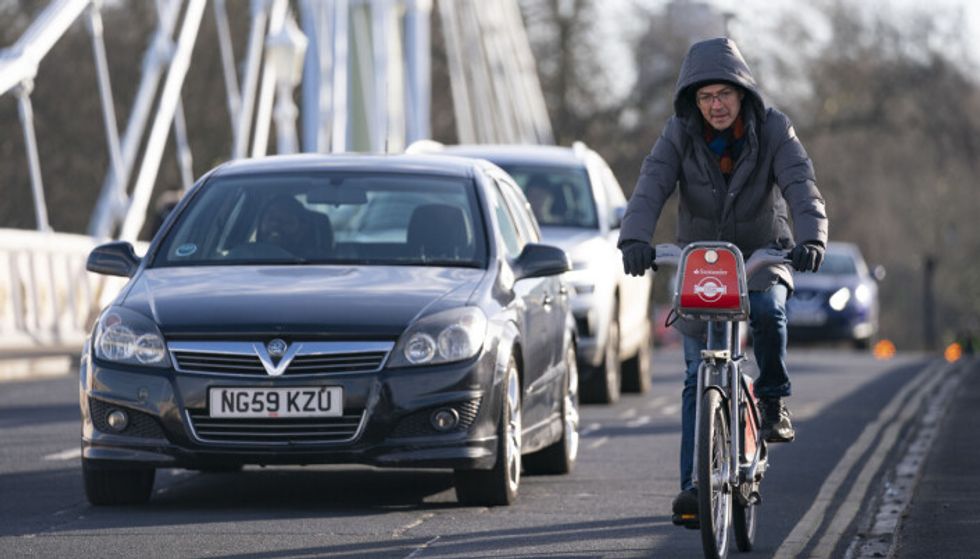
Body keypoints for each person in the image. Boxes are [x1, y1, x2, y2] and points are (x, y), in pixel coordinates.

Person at [616, 37, 828, 523]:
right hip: (702, 263)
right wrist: (635, 238)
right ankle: (693, 487)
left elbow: (800, 182)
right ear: (693, 100)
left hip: (761, 253)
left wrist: (810, 236)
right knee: (696, 374)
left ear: (742, 93)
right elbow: (652, 183)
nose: (715, 106)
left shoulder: (773, 128)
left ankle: (772, 399)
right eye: (705, 97)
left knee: (771, 311)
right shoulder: (678, 133)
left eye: (724, 95)